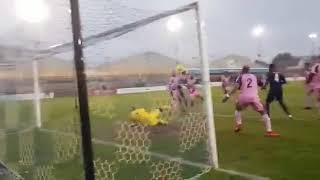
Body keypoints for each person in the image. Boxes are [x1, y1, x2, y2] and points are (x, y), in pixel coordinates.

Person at [223, 65, 279, 137]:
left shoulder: (240, 76)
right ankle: (269, 131)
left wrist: (227, 96)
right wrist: (264, 87)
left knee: (238, 108)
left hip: (244, 97)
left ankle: (239, 124)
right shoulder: (254, 76)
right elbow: (262, 84)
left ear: (243, 70)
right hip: (254, 97)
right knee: (263, 112)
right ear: (249, 70)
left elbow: (236, 87)